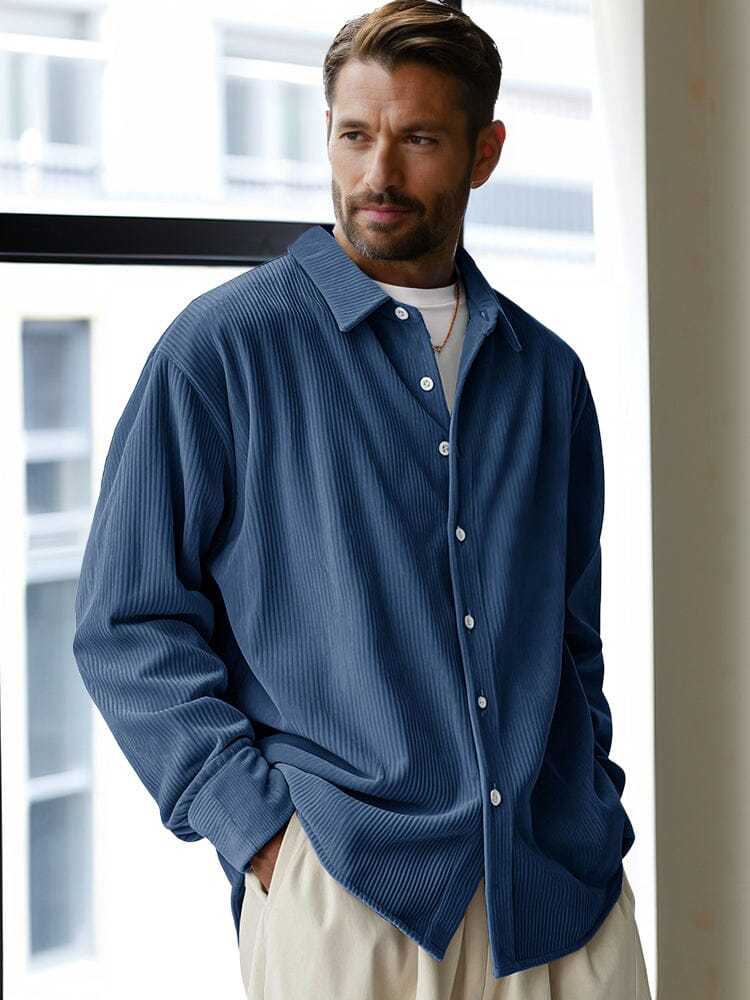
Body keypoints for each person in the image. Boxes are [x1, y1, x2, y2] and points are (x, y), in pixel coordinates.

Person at [72, 1, 652, 997]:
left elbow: (571, 640)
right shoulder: (223, 351)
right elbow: (126, 624)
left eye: (418, 139)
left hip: (559, 890)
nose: (378, 172)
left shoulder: (546, 375)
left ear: (484, 153)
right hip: (345, 893)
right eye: (354, 135)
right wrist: (262, 836)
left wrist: (589, 797)